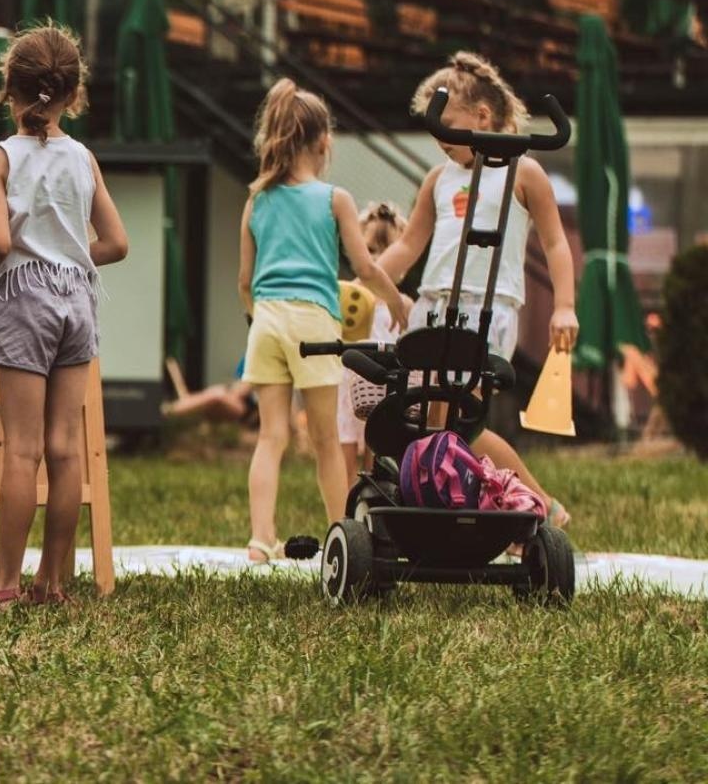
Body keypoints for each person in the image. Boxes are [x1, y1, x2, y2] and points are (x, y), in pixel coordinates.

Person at [0, 24, 128, 609]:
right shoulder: (84, 158)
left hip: (23, 298)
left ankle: (2, 589)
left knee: (21, 450)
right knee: (65, 448)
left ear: (8, 88)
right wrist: (71, 258)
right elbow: (116, 243)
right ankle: (53, 586)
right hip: (77, 297)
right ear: (74, 94)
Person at [377, 52, 576, 527]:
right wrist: (368, 281)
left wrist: (564, 306)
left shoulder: (523, 173)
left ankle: (538, 504)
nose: (440, 139)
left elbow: (555, 244)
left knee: (462, 422)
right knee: (427, 420)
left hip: (488, 311)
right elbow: (408, 245)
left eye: (446, 124)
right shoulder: (438, 180)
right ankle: (455, 506)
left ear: (482, 118)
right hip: (433, 307)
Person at [239, 79, 406, 564]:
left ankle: (259, 539)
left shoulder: (256, 201)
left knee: (271, 437)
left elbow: (244, 281)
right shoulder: (334, 199)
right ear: (323, 142)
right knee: (326, 441)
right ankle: (344, 535)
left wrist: (262, 319)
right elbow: (365, 269)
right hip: (313, 322)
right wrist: (394, 300)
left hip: (266, 320)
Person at [336, 202, 411, 483]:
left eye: (386, 251)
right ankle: (343, 499)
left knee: (375, 442)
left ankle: (371, 491)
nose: (377, 259)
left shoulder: (402, 305)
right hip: (347, 383)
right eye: (369, 250)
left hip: (381, 384)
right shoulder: (350, 298)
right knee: (344, 442)